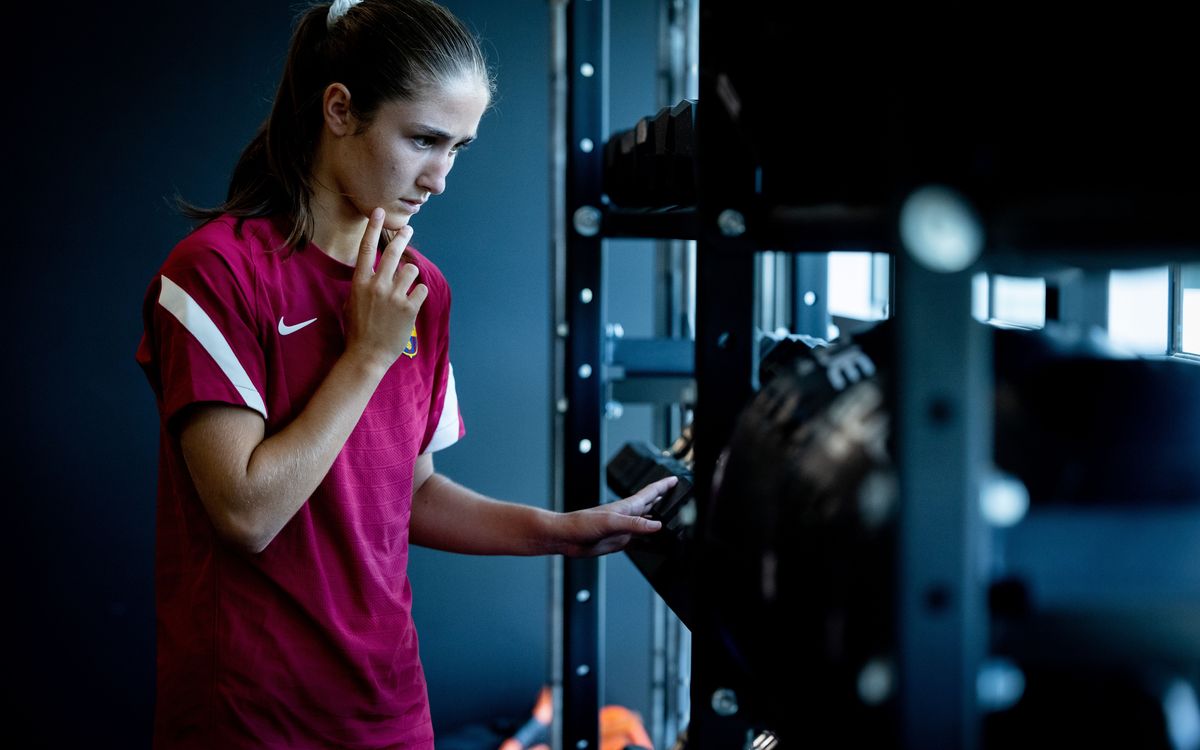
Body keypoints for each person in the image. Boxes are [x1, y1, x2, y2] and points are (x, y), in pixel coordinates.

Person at [135, 1, 677, 747]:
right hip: (249, 714)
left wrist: (562, 530)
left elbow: (410, 492)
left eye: (458, 148)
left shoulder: (422, 286)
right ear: (339, 110)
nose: (441, 177)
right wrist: (366, 354)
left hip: (387, 707)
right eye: (423, 140)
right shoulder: (212, 275)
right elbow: (247, 515)